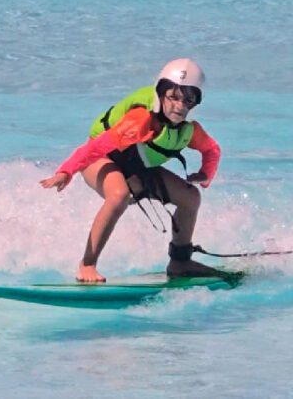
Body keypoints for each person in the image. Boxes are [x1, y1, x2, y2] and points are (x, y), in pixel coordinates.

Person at [40, 59, 224, 283]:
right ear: (160, 94)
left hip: (136, 166)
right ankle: (87, 264)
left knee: (191, 197)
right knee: (118, 194)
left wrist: (205, 174)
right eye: (173, 97)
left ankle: (180, 261)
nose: (180, 106)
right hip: (100, 158)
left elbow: (211, 150)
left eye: (188, 100)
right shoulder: (139, 121)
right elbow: (95, 148)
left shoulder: (189, 131)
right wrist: (66, 171)